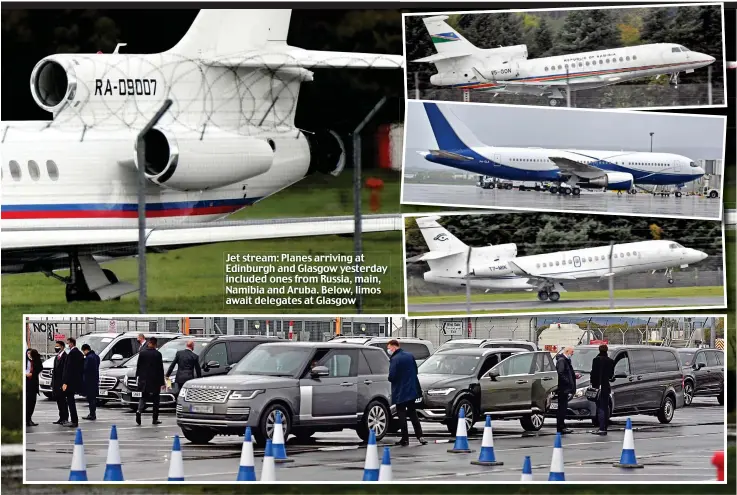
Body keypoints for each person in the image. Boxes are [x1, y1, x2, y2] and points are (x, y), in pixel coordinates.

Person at [387, 340, 427, 446]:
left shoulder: (394, 359)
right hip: (411, 390)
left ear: (394, 347)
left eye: (389, 348)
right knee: (413, 413)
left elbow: (392, 376)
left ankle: (405, 438)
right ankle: (420, 436)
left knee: (402, 415)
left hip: (400, 391)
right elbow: (416, 371)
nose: (389, 350)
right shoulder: (409, 356)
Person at [136, 337, 165, 426]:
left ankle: (139, 411)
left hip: (144, 380)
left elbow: (138, 366)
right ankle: (155, 418)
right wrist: (162, 382)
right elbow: (160, 369)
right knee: (156, 400)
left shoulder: (142, 353)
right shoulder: (158, 354)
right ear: (155, 344)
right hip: (155, 380)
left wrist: (138, 378)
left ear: (149, 343)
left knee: (143, 397)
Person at [590, 344, 615, 436]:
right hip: (606, 386)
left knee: (600, 407)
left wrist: (593, 384)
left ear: (599, 350)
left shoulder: (596, 360)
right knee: (605, 407)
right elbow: (611, 376)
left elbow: (593, 374)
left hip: (598, 386)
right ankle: (605, 426)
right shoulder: (611, 361)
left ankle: (601, 428)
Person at [62, 337, 85, 427]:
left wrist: (65, 382)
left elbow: (69, 369)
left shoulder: (72, 354)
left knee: (70, 401)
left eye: (68, 343)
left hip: (70, 382)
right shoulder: (79, 353)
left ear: (71, 343)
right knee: (71, 400)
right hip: (75, 380)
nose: (67, 345)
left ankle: (74, 420)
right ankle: (74, 420)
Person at [555, 346, 576, 435]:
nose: (573, 353)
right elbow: (560, 373)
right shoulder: (562, 361)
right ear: (567, 351)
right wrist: (568, 381)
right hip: (563, 389)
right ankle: (561, 427)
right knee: (562, 408)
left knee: (563, 408)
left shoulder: (566, 361)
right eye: (572, 352)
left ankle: (562, 426)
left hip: (566, 388)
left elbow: (566, 372)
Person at [50, 340, 68, 425]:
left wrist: (64, 383)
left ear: (62, 347)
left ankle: (65, 418)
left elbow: (66, 371)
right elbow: (54, 371)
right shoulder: (56, 357)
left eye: (58, 346)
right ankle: (61, 417)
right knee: (59, 401)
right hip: (56, 383)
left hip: (62, 383)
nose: (56, 348)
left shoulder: (65, 357)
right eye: (55, 346)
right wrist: (52, 383)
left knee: (63, 401)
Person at [81, 344, 101, 421]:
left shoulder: (89, 358)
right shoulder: (96, 357)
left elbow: (85, 369)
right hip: (95, 379)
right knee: (93, 398)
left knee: (90, 398)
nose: (83, 353)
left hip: (89, 380)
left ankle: (92, 414)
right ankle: (93, 413)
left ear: (86, 350)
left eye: (83, 351)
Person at [25, 349, 43, 427]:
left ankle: (29, 419)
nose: (29, 354)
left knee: (32, 403)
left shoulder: (36, 361)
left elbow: (40, 368)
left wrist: (32, 373)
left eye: (30, 353)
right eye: (28, 353)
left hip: (33, 384)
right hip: (25, 383)